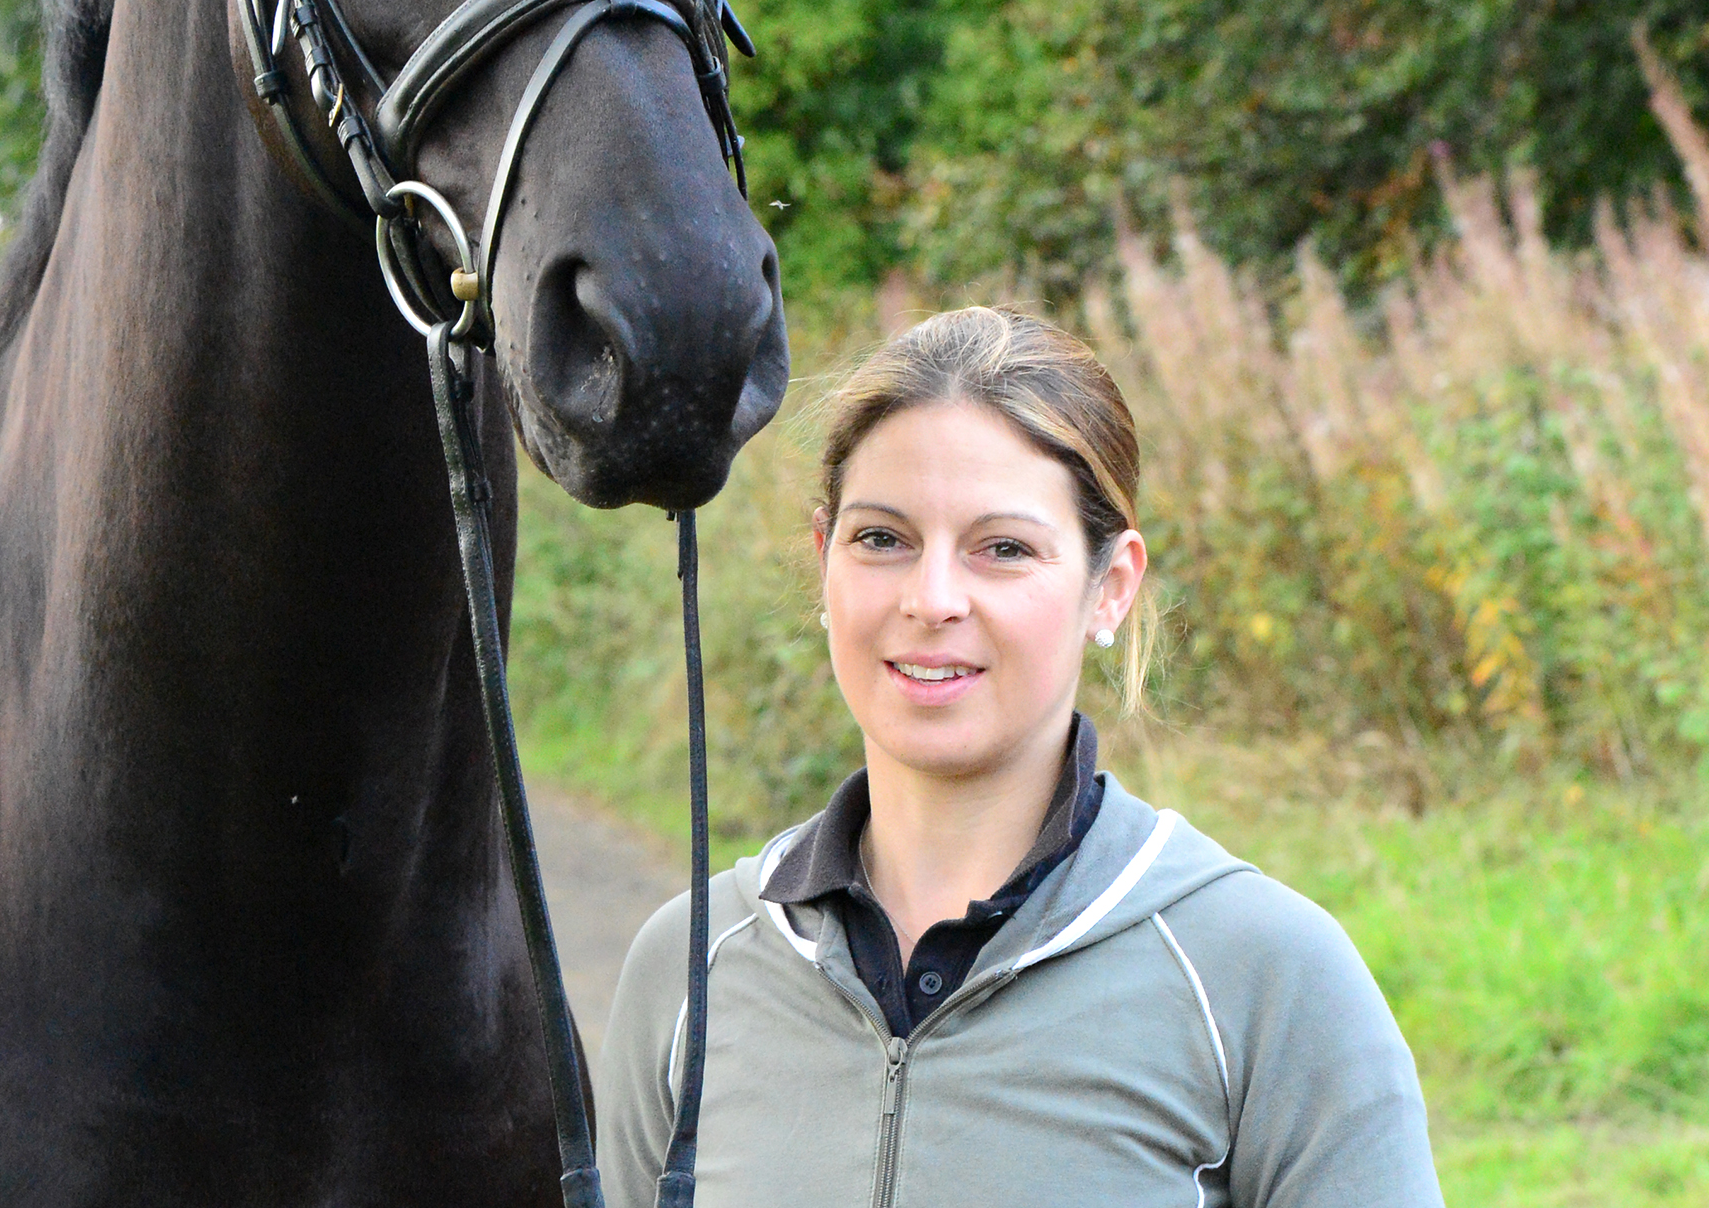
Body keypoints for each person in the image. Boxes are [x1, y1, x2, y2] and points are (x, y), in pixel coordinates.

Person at [598, 306, 1443, 1208]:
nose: (932, 598)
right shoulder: (690, 962)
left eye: (1003, 548)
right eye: (882, 538)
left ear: (1109, 588)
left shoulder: (1264, 976)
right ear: (824, 557)